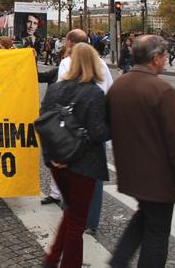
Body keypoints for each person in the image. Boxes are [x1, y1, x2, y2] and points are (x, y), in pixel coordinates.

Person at [107, 35, 175, 266]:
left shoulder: (119, 85)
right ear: (155, 58)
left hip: (130, 171)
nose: (166, 59)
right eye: (165, 55)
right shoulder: (162, 90)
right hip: (158, 176)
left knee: (145, 216)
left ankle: (118, 261)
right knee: (157, 233)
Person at [40, 43, 109, 268]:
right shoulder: (94, 93)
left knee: (70, 213)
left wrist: (52, 157)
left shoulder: (54, 89)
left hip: (57, 163)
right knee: (77, 221)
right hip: (83, 166)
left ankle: (52, 259)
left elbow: (44, 123)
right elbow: (98, 133)